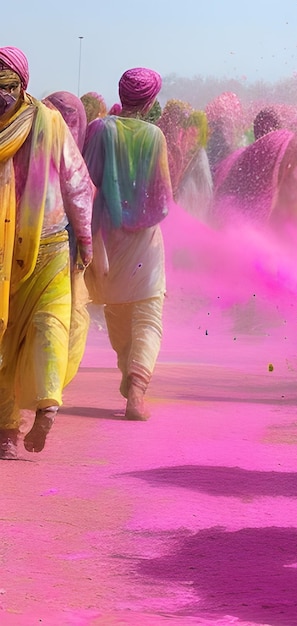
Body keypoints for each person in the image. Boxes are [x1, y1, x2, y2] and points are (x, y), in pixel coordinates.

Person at [0, 47, 94, 459]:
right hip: (49, 243)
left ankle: (13, 425)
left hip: (40, 246)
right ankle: (44, 404)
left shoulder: (49, 123)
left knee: (24, 332)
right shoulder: (52, 122)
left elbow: (75, 185)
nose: (2, 95)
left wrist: (85, 240)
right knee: (46, 327)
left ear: (22, 85)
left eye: (7, 86)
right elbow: (78, 185)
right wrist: (86, 239)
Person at [82, 67, 175, 420]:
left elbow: (85, 184)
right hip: (145, 242)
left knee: (117, 310)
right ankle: (136, 387)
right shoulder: (154, 136)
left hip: (107, 238)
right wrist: (139, 215)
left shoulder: (100, 129)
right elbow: (164, 199)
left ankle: (129, 373)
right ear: (150, 101)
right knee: (148, 315)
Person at [43, 91, 92, 387]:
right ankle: (52, 385)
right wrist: (86, 243)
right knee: (71, 317)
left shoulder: (30, 138)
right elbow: (79, 195)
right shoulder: (74, 155)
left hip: (26, 245)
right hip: (65, 250)